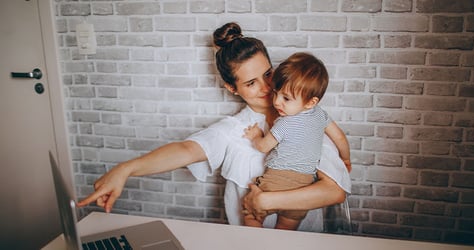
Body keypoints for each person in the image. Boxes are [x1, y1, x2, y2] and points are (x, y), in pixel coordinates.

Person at [77, 22, 351, 232]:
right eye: (251, 82)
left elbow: (334, 191)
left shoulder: (307, 119)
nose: (267, 88)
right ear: (233, 88)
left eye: (268, 74)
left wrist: (266, 202)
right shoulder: (234, 130)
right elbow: (185, 150)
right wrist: (125, 169)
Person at [242, 52, 351, 230]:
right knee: (285, 232)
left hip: (274, 183)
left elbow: (263, 147)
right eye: (276, 93)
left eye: (286, 98)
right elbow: (339, 137)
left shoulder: (283, 124)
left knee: (250, 213)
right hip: (302, 190)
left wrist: (256, 136)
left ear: (310, 102)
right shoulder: (321, 115)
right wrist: (346, 159)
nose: (277, 102)